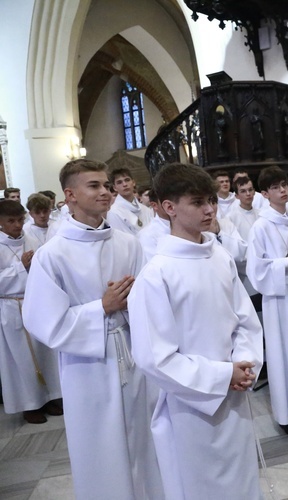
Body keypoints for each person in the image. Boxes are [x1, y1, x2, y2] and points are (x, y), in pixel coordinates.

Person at [23, 159, 162, 499]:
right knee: (100, 448)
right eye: (94, 186)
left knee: (143, 441)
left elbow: (145, 297)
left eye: (106, 185)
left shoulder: (128, 243)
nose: (106, 192)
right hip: (87, 366)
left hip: (131, 352)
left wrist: (133, 305)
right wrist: (100, 307)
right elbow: (44, 322)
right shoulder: (52, 255)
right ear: (70, 195)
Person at [128, 163, 264, 499]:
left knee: (242, 482)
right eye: (198, 202)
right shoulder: (156, 274)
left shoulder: (219, 255)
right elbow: (154, 358)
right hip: (190, 406)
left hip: (235, 391)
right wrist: (222, 375)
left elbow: (245, 320)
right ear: (170, 208)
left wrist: (246, 363)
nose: (209, 210)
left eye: (211, 201)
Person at [247, 166, 288, 438]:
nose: (283, 190)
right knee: (285, 354)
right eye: (275, 187)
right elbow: (256, 269)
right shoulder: (261, 225)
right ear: (264, 194)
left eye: (285, 184)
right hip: (279, 298)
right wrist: (287, 261)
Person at [0, 199, 62, 424]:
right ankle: (30, 404)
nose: (17, 225)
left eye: (20, 220)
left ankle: (51, 397)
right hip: (11, 306)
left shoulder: (31, 239)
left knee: (45, 353)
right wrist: (20, 267)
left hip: (35, 302)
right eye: (11, 221)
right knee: (21, 360)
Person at [107, 167, 153, 234]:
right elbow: (123, 239)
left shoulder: (146, 209)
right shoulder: (114, 212)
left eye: (127, 180)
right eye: (119, 182)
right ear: (115, 188)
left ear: (133, 182)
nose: (124, 184)